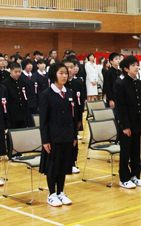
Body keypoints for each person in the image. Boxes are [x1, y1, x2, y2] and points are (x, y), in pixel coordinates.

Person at [39, 62, 78, 206]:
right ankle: (52, 194)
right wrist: (45, 140)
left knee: (63, 165)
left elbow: (73, 117)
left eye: (66, 73)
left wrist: (74, 135)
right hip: (53, 137)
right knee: (53, 166)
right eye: (61, 73)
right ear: (54, 75)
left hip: (67, 136)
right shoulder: (46, 95)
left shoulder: (69, 93)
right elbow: (43, 120)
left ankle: (61, 192)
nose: (64, 76)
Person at [113, 56, 141, 189]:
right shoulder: (120, 84)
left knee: (136, 150)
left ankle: (136, 175)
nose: (137, 67)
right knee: (126, 151)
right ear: (126, 69)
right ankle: (124, 178)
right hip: (127, 124)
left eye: (137, 65)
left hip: (138, 123)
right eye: (133, 65)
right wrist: (125, 126)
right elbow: (120, 107)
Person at [64, 59, 86, 174]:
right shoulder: (60, 84)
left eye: (71, 67)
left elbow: (81, 101)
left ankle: (73, 162)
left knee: (74, 140)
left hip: (75, 115)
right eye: (66, 67)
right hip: (63, 118)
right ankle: (65, 163)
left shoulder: (78, 82)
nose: (69, 70)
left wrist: (79, 118)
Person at [1, 62, 27, 129]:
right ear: (10, 71)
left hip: (22, 112)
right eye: (15, 72)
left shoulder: (22, 81)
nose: (18, 73)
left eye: (19, 71)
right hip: (12, 113)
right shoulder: (5, 83)